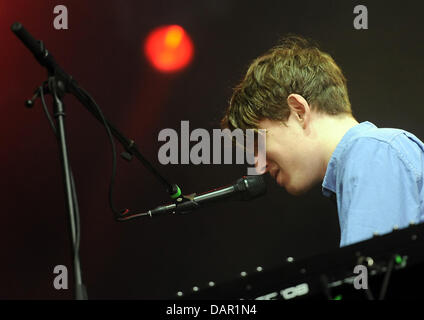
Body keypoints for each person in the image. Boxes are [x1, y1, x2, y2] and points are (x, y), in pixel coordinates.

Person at [221, 35, 424, 247]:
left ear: (299, 111)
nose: (259, 166)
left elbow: (372, 275)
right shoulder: (369, 157)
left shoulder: (373, 152)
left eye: (259, 144)